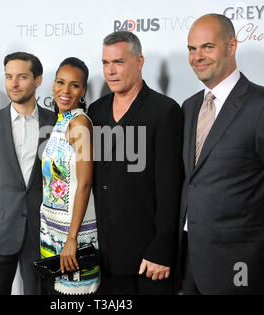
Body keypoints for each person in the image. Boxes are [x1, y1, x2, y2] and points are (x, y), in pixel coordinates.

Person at [178, 14, 264, 295]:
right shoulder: (190, 107)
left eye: (208, 47)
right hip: (192, 262)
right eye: (192, 49)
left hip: (244, 265)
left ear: (232, 46)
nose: (197, 56)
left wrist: (261, 242)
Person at [87, 31, 183, 295]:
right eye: (105, 63)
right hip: (102, 255)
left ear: (139, 62)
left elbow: (171, 188)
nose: (110, 71)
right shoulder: (95, 111)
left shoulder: (164, 111)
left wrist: (162, 248)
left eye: (118, 62)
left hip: (148, 258)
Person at [0, 52, 56, 295]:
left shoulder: (55, 123)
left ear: (38, 80)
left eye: (22, 77)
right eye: (8, 77)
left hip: (42, 231)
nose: (13, 84)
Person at [39, 57, 99, 295]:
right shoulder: (60, 123)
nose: (65, 90)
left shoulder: (80, 124)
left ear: (83, 91)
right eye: (60, 82)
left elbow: (85, 183)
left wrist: (72, 238)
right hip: (51, 231)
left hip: (73, 233)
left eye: (74, 85)